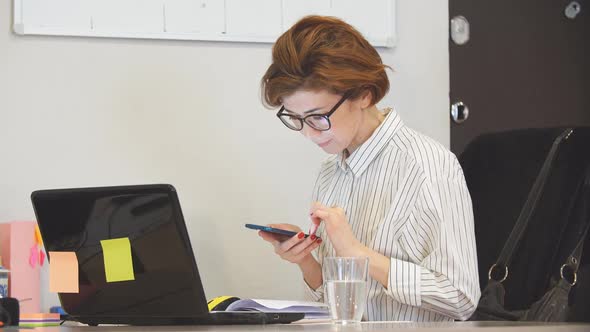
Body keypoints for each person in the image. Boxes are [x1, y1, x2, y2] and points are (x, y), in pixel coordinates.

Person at [258, 15, 481, 322]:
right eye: (296, 119)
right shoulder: (331, 171)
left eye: (318, 117)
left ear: (364, 94)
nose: (309, 133)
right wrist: (306, 261)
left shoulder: (428, 167)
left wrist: (357, 253)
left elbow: (461, 297)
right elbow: (339, 310)